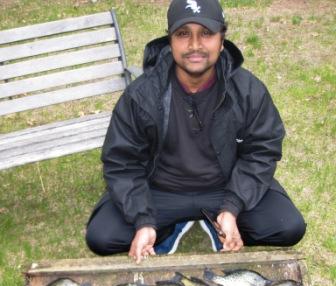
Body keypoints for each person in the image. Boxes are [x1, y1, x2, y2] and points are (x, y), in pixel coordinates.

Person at [86, 0, 306, 263]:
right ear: (170, 41)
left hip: (224, 188)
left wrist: (232, 207)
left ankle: (220, 223)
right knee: (102, 236)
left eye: (206, 34)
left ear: (222, 40)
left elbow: (262, 151)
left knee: (288, 226)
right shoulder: (141, 94)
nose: (194, 45)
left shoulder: (248, 90)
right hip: (160, 191)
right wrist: (143, 220)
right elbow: (121, 163)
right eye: (183, 34)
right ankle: (162, 231)